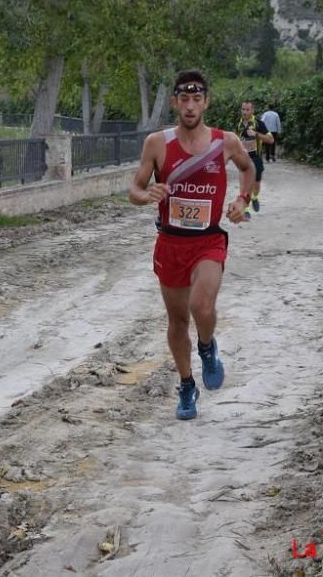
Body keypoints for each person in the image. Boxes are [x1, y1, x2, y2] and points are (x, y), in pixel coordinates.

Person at [129, 69, 254, 420]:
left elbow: (248, 168)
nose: (190, 106)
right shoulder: (156, 143)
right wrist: (147, 194)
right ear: (174, 103)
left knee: (202, 306)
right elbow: (134, 190)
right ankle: (187, 385)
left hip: (208, 240)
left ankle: (207, 347)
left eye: (196, 99)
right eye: (183, 99)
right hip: (171, 242)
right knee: (177, 320)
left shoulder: (225, 141)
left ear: (206, 102)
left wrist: (243, 201)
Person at [236, 101, 273, 218]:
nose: (245, 112)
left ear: (252, 111)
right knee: (245, 184)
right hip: (244, 159)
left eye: (247, 110)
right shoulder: (238, 124)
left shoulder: (259, 123)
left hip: (256, 158)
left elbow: (270, 140)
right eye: (243, 109)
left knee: (256, 184)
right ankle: (246, 208)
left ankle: (255, 197)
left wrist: (255, 134)